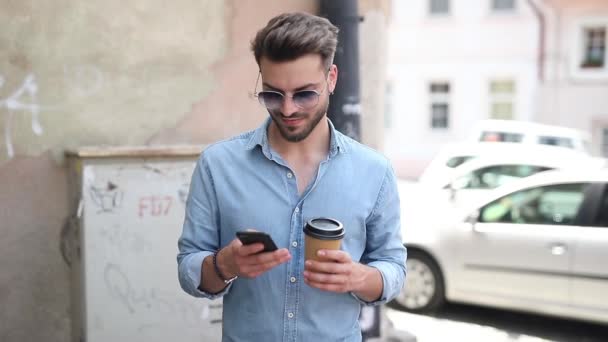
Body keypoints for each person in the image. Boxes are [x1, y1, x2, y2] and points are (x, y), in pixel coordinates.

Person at [177, 12, 406, 342]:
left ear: (331, 79)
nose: (287, 109)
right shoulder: (218, 165)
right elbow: (189, 269)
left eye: (304, 94)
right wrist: (223, 265)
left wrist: (358, 277)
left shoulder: (374, 171)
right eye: (272, 94)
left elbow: (393, 268)